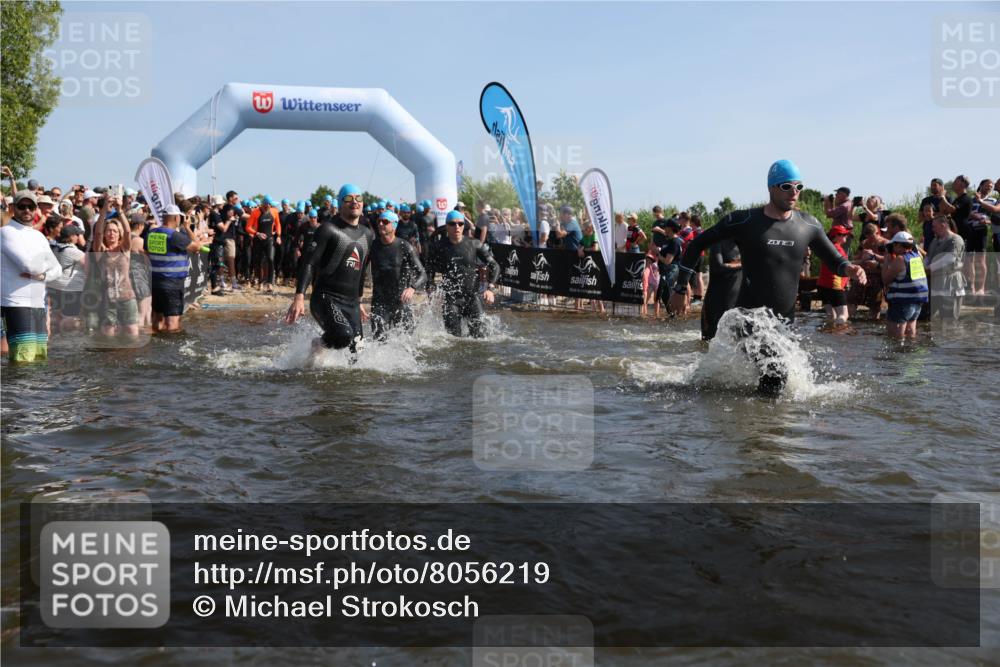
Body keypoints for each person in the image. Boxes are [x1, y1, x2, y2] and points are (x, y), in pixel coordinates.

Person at [670, 159, 866, 395]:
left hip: (784, 322)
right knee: (776, 378)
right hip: (749, 318)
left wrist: (850, 269)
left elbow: (835, 260)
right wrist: (681, 288)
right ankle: (762, 430)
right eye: (786, 186)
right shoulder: (745, 221)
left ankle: (746, 421)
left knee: (773, 383)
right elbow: (698, 243)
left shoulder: (808, 225)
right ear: (771, 187)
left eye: (798, 187)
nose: (794, 192)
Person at [285, 184, 374, 358]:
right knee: (343, 336)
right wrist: (299, 296)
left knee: (357, 354)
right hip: (326, 298)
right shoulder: (328, 229)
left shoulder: (368, 234)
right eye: (348, 198)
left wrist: (359, 301)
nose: (354, 202)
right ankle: (318, 344)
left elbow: (360, 269)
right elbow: (309, 263)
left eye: (358, 198)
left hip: (351, 302)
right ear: (340, 204)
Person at [0, 191, 62, 362]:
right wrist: (44, 267)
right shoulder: (6, 232)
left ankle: (36, 390)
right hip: (15, 303)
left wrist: (41, 276)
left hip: (37, 303)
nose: (26, 210)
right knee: (23, 360)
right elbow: (28, 265)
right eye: (22, 206)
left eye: (31, 206)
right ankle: (13, 390)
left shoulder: (39, 236)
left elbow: (58, 269)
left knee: (39, 359)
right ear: (13, 208)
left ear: (36, 209)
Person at [428, 210, 500, 338]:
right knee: (454, 340)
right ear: (447, 226)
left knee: (481, 339)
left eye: (460, 224)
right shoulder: (439, 246)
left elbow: (494, 265)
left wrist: (490, 288)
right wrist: (431, 289)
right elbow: (429, 270)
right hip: (451, 300)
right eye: (452, 224)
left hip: (472, 297)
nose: (457, 227)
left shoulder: (474, 243)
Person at [147, 204, 210, 332]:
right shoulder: (174, 236)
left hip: (154, 282)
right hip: (172, 283)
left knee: (157, 318)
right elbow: (196, 247)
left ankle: (156, 348)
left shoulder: (151, 233)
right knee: (172, 322)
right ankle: (171, 350)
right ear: (176, 218)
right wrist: (187, 227)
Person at [369, 210, 427, 341]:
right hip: (379, 303)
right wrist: (358, 299)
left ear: (394, 225)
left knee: (407, 344)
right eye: (379, 221)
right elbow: (360, 273)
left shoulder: (404, 246)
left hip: (400, 302)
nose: (381, 224)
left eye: (385, 222)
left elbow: (422, 274)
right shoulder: (373, 246)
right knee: (378, 343)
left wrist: (412, 288)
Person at [90, 197, 139, 337]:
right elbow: (97, 233)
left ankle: (129, 359)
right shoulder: (100, 251)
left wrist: (119, 210)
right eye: (109, 231)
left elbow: (129, 232)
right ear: (105, 234)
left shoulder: (124, 249)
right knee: (108, 335)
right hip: (108, 299)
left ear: (119, 234)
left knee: (132, 333)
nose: (111, 233)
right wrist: (104, 210)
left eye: (115, 231)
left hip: (127, 297)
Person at [882, 231, 928, 339]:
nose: (892, 248)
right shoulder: (917, 256)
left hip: (902, 303)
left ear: (898, 245)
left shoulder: (900, 259)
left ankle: (898, 355)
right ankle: (910, 354)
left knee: (895, 337)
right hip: (917, 303)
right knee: (910, 333)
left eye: (893, 245)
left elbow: (885, 279)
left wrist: (886, 261)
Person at [925, 215, 966, 321]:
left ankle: (949, 338)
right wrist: (923, 267)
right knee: (926, 319)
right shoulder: (935, 241)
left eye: (934, 226)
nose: (932, 229)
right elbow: (928, 256)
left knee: (949, 320)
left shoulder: (956, 239)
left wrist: (928, 269)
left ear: (943, 225)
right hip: (935, 283)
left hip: (950, 283)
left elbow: (949, 259)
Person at [49, 223, 87, 332]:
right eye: (77, 235)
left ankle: (56, 339)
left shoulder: (54, 248)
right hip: (71, 288)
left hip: (53, 286)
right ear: (71, 237)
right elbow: (89, 267)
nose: (78, 237)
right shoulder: (74, 252)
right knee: (70, 318)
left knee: (56, 316)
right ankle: (67, 344)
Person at [701, 238, 742, 340]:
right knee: (707, 341)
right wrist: (743, 264)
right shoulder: (718, 243)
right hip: (716, 300)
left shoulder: (745, 243)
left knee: (735, 341)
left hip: (736, 301)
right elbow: (718, 267)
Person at [848, 223, 888, 321]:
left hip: (877, 277)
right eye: (868, 237)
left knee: (875, 305)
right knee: (851, 300)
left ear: (877, 233)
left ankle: (873, 324)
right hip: (864, 276)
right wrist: (861, 259)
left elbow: (889, 259)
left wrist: (874, 257)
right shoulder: (864, 243)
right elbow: (856, 257)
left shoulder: (885, 243)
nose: (871, 239)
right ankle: (850, 322)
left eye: (872, 236)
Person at [816, 225, 851, 326]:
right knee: (843, 315)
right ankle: (838, 337)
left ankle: (827, 333)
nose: (846, 235)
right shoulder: (837, 249)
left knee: (831, 315)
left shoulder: (828, 247)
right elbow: (845, 265)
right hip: (834, 285)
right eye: (844, 234)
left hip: (822, 285)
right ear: (836, 236)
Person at [245, 196, 282, 293]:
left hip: (270, 239)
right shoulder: (255, 212)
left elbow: (278, 224)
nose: (268, 206)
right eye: (266, 204)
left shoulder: (274, 212)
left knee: (270, 259)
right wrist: (257, 233)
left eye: (270, 204)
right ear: (263, 204)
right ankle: (260, 282)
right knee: (259, 261)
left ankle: (270, 283)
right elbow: (248, 227)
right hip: (258, 240)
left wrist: (278, 235)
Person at [656, 218, 683, 308]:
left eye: (666, 227)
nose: (664, 229)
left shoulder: (675, 242)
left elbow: (668, 261)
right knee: (664, 294)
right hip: (667, 270)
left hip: (673, 269)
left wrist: (658, 255)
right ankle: (672, 315)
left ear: (670, 228)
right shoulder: (669, 240)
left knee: (667, 293)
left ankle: (673, 315)